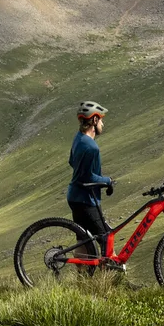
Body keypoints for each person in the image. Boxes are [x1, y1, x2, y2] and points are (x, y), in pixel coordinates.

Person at [67, 100, 115, 260]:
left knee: (83, 240)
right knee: (106, 238)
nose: (102, 123)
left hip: (74, 197)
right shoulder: (91, 147)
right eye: (101, 119)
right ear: (94, 120)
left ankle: (82, 279)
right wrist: (107, 181)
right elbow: (87, 178)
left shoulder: (78, 138)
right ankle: (114, 279)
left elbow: (71, 162)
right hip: (86, 200)